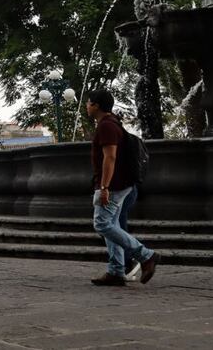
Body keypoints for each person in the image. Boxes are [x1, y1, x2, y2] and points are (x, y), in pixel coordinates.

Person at [87, 89, 159, 286]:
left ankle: (145, 255)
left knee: (102, 224)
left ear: (96, 105)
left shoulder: (107, 126)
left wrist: (104, 187)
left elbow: (110, 157)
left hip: (114, 185)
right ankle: (116, 271)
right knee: (112, 225)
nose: (86, 105)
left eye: (89, 102)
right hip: (119, 184)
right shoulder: (113, 123)